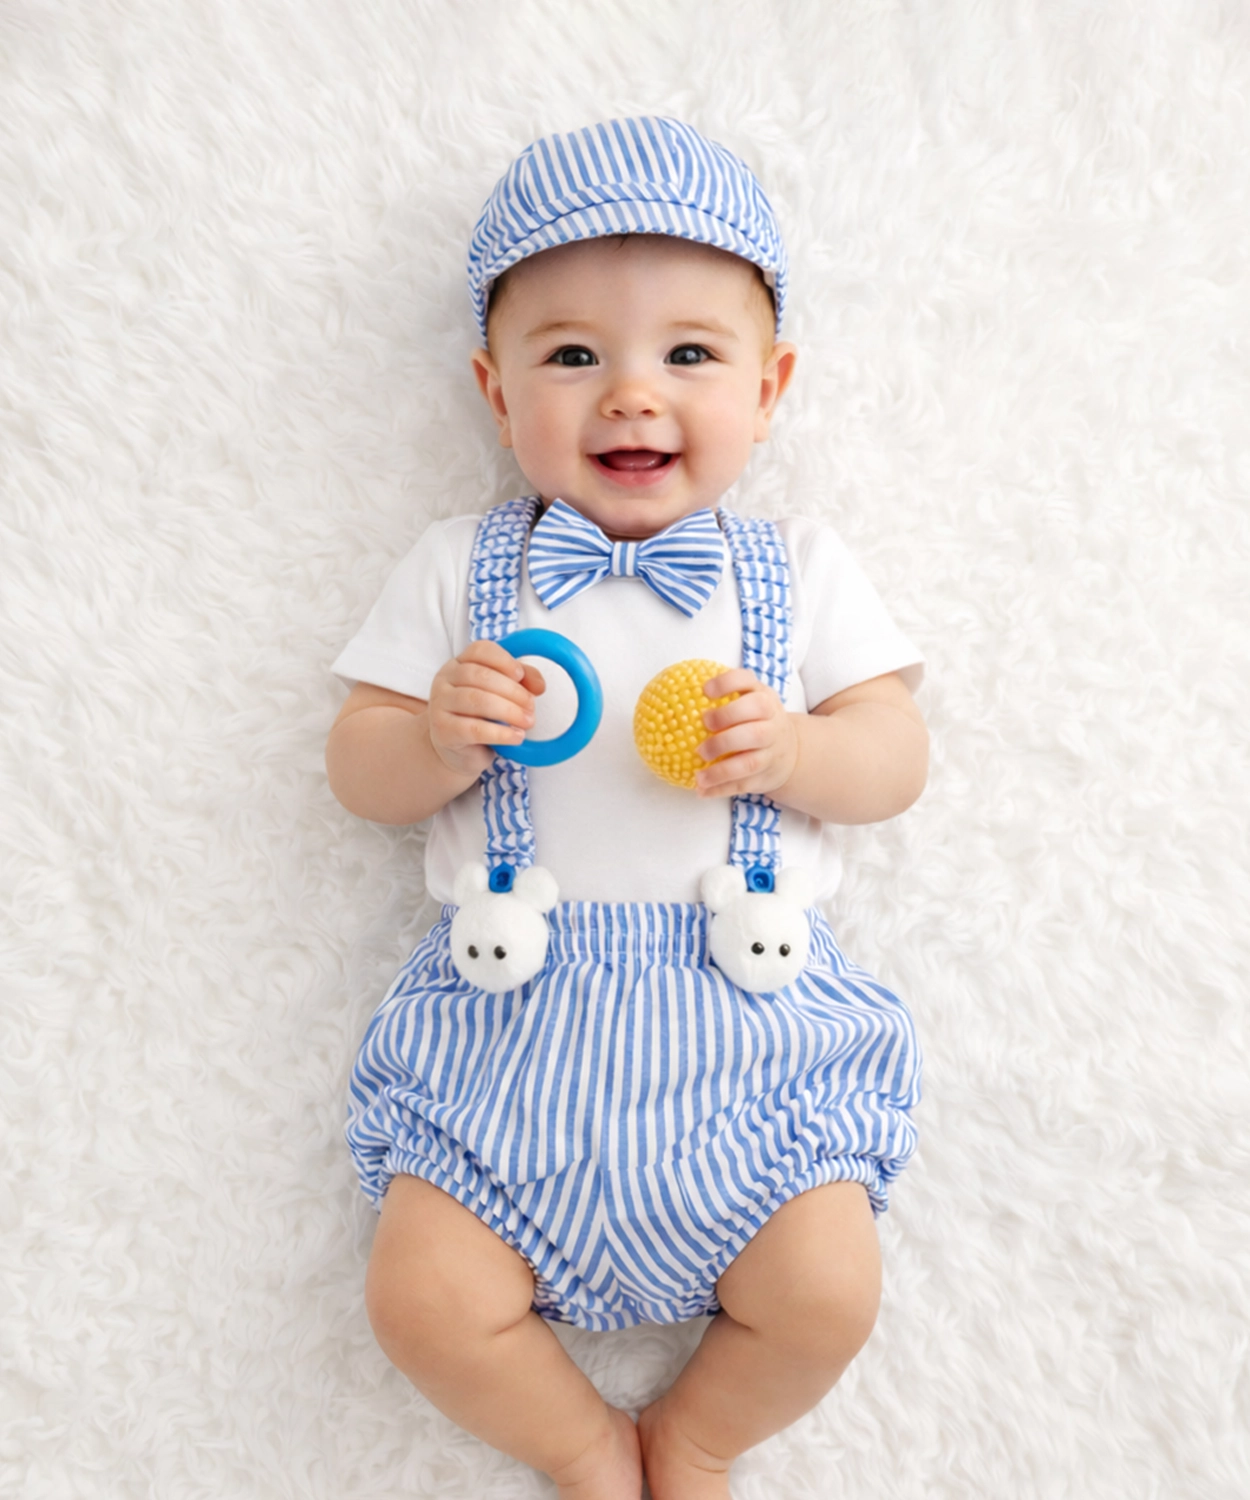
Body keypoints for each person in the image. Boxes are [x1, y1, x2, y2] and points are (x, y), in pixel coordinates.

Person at [325, 117, 928, 1500]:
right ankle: (584, 1447)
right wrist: (429, 735)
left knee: (827, 1289)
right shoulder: (457, 568)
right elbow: (353, 769)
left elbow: (893, 758)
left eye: (690, 356)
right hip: (509, 1038)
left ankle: (699, 1436)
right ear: (494, 386)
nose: (632, 398)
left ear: (770, 388)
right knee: (421, 1298)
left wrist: (793, 754)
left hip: (750, 1039)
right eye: (573, 355)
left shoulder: (798, 573)